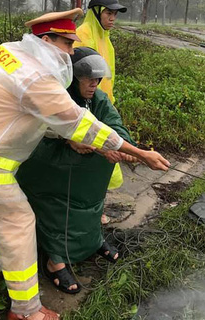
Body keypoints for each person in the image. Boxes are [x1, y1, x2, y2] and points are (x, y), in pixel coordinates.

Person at [0, 8, 170, 320]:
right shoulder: (37, 78)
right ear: (46, 39)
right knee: (19, 223)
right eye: (67, 44)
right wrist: (140, 153)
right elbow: (80, 123)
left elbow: (26, 110)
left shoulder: (9, 53)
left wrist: (67, 136)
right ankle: (27, 311)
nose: (71, 52)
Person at [16, 47, 138, 294]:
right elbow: (34, 130)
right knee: (56, 211)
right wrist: (67, 140)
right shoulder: (55, 96)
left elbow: (115, 125)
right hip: (53, 177)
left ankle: (92, 241)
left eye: (97, 78)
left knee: (91, 208)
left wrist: (119, 146)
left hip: (89, 183)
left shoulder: (97, 99)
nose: (94, 83)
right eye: (87, 78)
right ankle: (55, 260)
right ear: (72, 76)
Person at [75, 0, 127, 201]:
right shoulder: (84, 35)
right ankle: (91, 205)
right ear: (96, 12)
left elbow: (107, 77)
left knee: (107, 154)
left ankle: (97, 204)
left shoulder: (105, 38)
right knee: (96, 154)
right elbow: (79, 75)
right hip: (88, 107)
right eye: (109, 13)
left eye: (115, 14)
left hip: (102, 106)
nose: (113, 18)